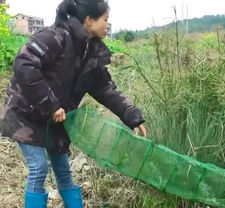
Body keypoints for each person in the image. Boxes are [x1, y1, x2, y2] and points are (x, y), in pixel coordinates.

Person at [0, 0, 147, 207]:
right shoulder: (54, 37)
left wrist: (132, 116)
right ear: (89, 20)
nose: (107, 25)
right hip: (26, 112)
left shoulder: (92, 51)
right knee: (38, 167)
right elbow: (24, 64)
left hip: (58, 117)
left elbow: (105, 88)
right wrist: (50, 105)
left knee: (63, 169)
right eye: (105, 20)